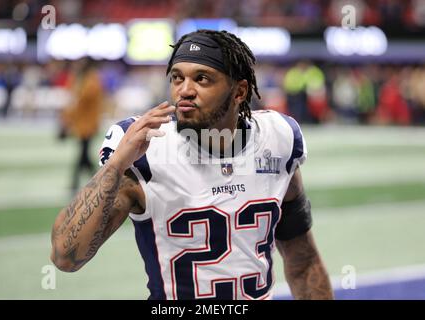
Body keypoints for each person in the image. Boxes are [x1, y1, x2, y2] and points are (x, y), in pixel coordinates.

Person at [50, 30, 334, 300]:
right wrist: (115, 165)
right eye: (176, 78)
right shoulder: (146, 151)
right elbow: (66, 256)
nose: (184, 90)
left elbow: (303, 262)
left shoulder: (278, 138)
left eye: (202, 79)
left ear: (239, 92)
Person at [59, 58, 104, 193]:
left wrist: (67, 120)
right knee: (84, 156)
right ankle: (98, 181)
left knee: (83, 155)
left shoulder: (90, 81)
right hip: (83, 124)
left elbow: (81, 101)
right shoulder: (83, 80)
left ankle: (84, 182)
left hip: (88, 124)